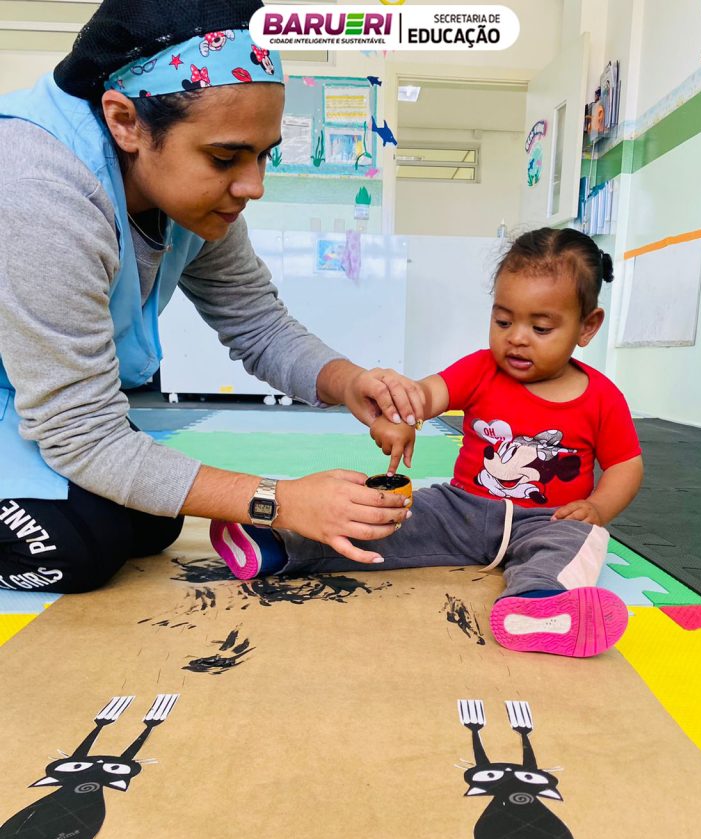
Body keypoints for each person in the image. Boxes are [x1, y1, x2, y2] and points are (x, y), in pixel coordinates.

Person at [0, 0, 422, 596]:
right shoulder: (38, 192)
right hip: (37, 403)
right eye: (225, 157)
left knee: (154, 520)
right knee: (77, 550)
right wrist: (279, 501)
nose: (253, 185)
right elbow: (81, 431)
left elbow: (259, 323)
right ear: (125, 122)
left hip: (31, 399)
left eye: (264, 153)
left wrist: (350, 382)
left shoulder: (190, 199)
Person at [210, 228, 644, 658]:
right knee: (388, 520)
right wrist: (401, 418)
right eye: (503, 321)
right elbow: (424, 394)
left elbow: (625, 465)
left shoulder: (602, 398)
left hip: (547, 520)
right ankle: (278, 546)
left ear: (587, 326)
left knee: (578, 540)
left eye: (541, 327)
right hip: (460, 508)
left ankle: (538, 604)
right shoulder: (480, 370)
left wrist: (598, 507)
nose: (516, 337)